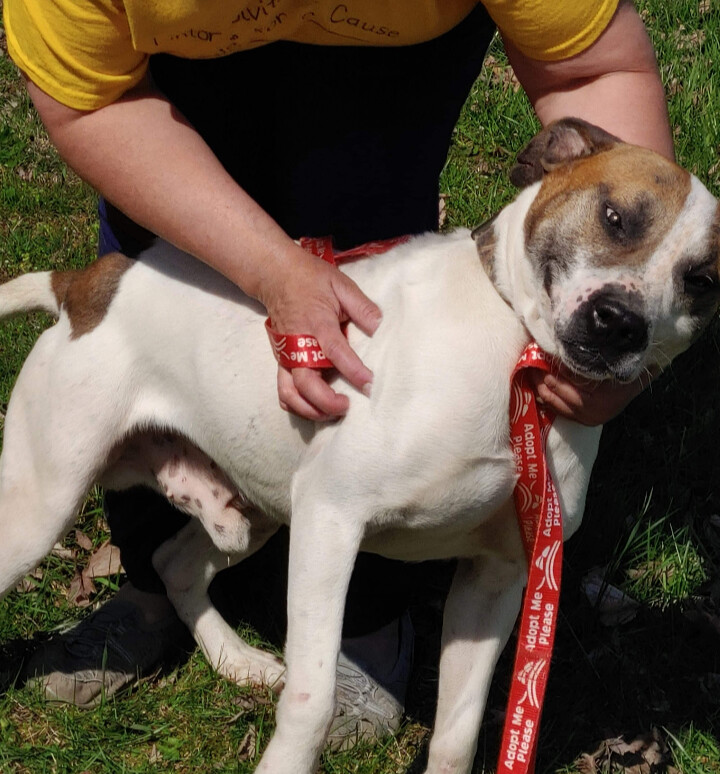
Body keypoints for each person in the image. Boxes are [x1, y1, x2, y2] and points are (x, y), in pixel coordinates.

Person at [3, 0, 673, 747]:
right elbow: (89, 99)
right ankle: (154, 585)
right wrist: (269, 269)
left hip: (393, 54)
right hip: (166, 99)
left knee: (360, 199)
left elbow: (597, 67)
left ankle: (367, 619)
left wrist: (630, 344)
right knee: (165, 283)